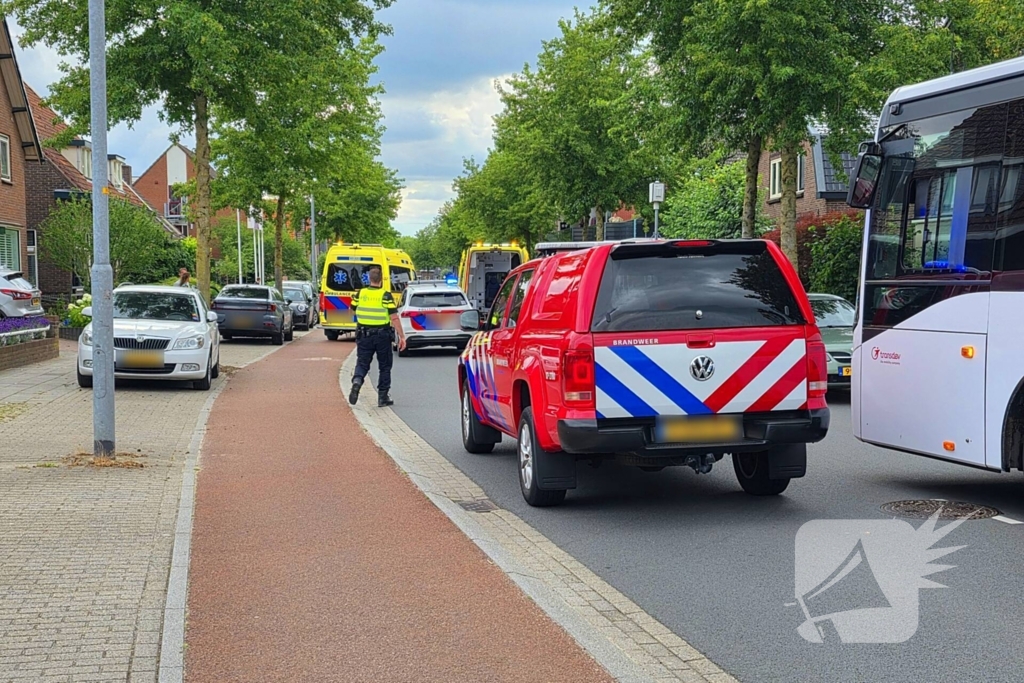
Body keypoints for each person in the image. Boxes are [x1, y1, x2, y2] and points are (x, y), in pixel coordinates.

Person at [349, 266, 407, 407]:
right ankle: (382, 397)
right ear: (381, 279)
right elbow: (394, 318)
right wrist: (402, 337)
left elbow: (352, 310)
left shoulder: (361, 294)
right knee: (385, 366)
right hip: (382, 336)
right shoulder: (385, 296)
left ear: (369, 278)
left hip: (364, 334)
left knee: (362, 363)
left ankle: (357, 382)